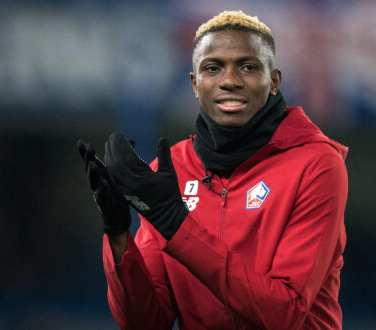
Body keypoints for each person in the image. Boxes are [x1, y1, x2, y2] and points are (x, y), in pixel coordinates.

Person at [77, 10, 348, 329]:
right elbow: (146, 322)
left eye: (248, 67)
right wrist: (117, 233)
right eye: (212, 68)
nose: (230, 81)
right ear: (195, 83)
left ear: (273, 81)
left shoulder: (316, 165)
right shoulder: (172, 171)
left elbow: (284, 313)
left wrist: (177, 225)